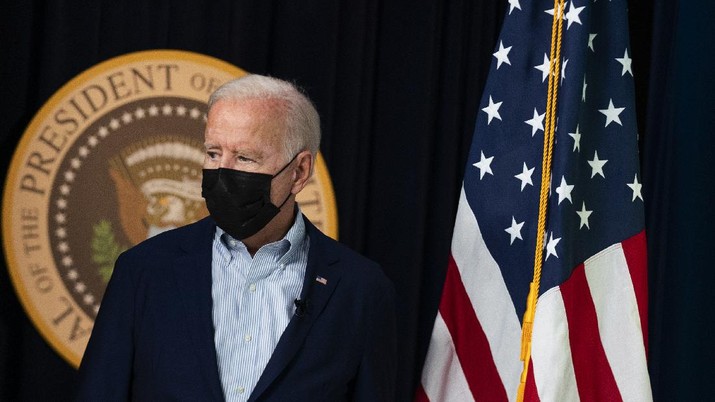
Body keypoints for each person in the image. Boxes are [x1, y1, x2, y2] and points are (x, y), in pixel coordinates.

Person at [76, 74, 398, 401]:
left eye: (244, 158)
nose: (222, 172)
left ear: (299, 172)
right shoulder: (143, 271)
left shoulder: (361, 289)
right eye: (214, 154)